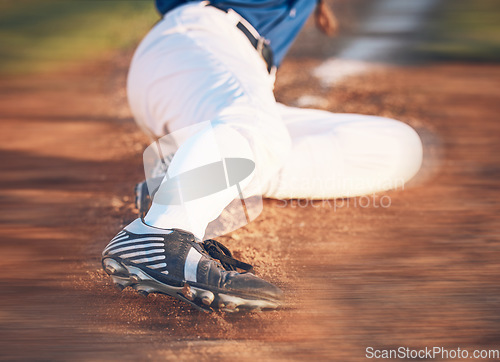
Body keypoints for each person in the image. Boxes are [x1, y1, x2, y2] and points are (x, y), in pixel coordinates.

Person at [101, 0, 423, 312]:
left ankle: (192, 173)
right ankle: (160, 232)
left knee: (398, 145)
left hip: (214, 70)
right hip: (195, 44)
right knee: (258, 131)